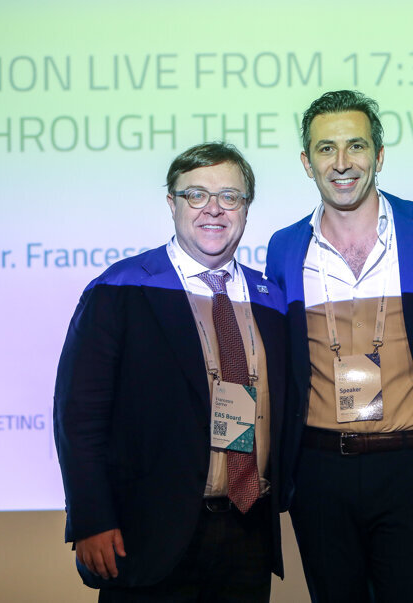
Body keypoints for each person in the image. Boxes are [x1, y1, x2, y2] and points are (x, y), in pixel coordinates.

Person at [53, 142, 286, 601]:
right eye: (196, 195)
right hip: (150, 534)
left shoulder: (271, 298)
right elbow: (78, 416)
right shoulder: (121, 288)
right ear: (171, 203)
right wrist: (92, 516)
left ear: (247, 207)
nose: (213, 210)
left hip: (248, 533)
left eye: (230, 197)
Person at [264, 90, 413, 602]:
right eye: (326, 149)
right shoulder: (285, 247)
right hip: (320, 471)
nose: (342, 163)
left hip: (412, 468)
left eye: (356, 146)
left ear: (379, 155)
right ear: (306, 163)